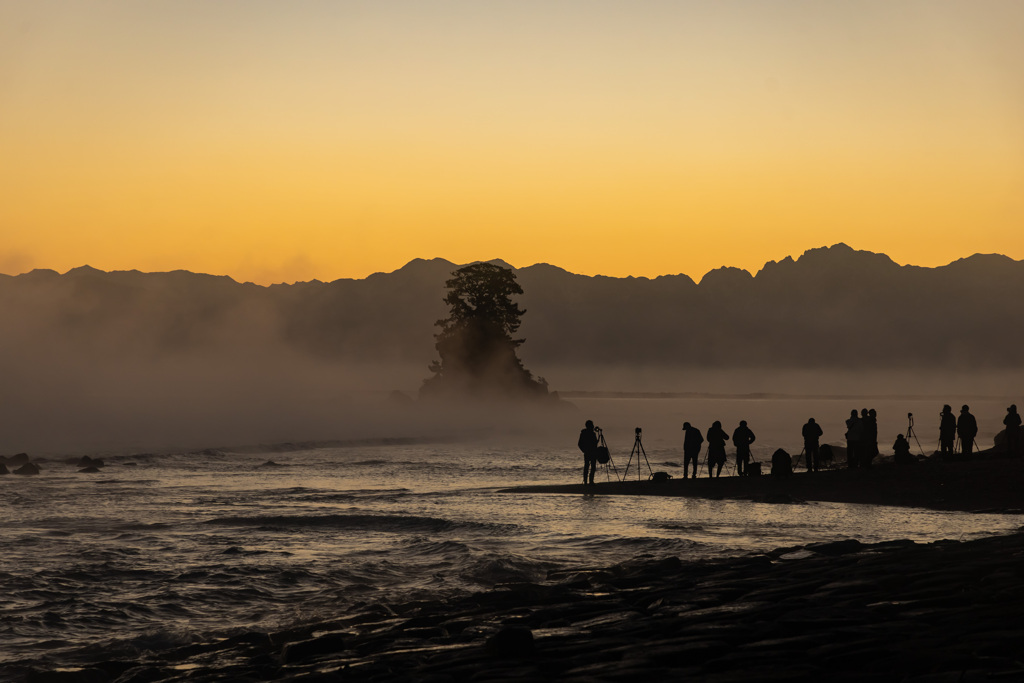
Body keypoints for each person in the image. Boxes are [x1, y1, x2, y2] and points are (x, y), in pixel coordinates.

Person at [578, 420, 598, 485]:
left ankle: (590, 481)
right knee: (587, 467)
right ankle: (587, 482)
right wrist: (584, 450)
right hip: (588, 452)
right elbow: (579, 444)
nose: (593, 426)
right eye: (592, 425)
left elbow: (595, 443)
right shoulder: (585, 434)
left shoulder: (592, 433)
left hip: (592, 452)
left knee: (592, 467)